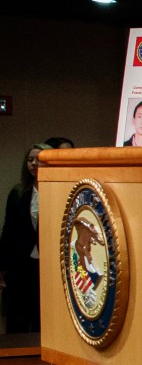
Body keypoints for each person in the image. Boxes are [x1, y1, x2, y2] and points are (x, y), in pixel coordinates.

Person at [0, 142, 53, 333]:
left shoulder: (58, 191)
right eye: (30, 159)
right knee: (17, 317)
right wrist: (2, 266)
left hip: (47, 264)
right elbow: (8, 230)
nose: (33, 163)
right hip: (20, 263)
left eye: (38, 159)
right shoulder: (18, 192)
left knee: (43, 318)